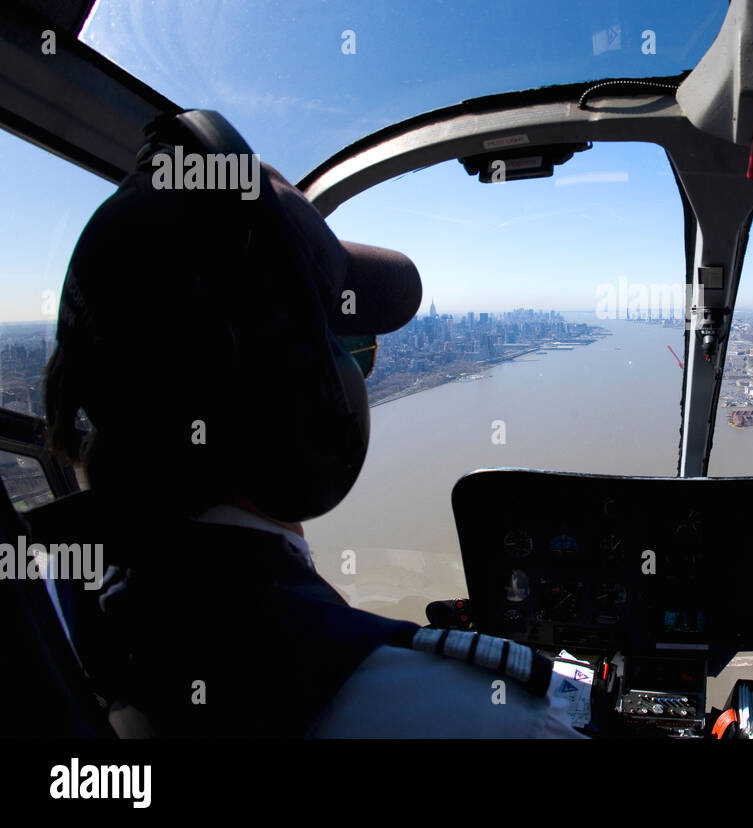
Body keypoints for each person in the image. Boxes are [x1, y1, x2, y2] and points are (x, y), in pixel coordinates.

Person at [41, 115, 587, 737]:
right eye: (350, 349)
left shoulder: (54, 608)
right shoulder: (469, 718)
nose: (361, 371)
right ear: (298, 400)